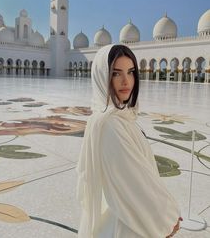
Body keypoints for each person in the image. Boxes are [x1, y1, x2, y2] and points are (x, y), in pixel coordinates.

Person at [76, 44, 182, 238]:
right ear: (102, 77)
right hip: (129, 223)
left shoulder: (120, 116)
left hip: (130, 218)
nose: (126, 81)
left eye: (131, 72)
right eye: (116, 74)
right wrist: (166, 218)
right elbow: (134, 182)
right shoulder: (110, 124)